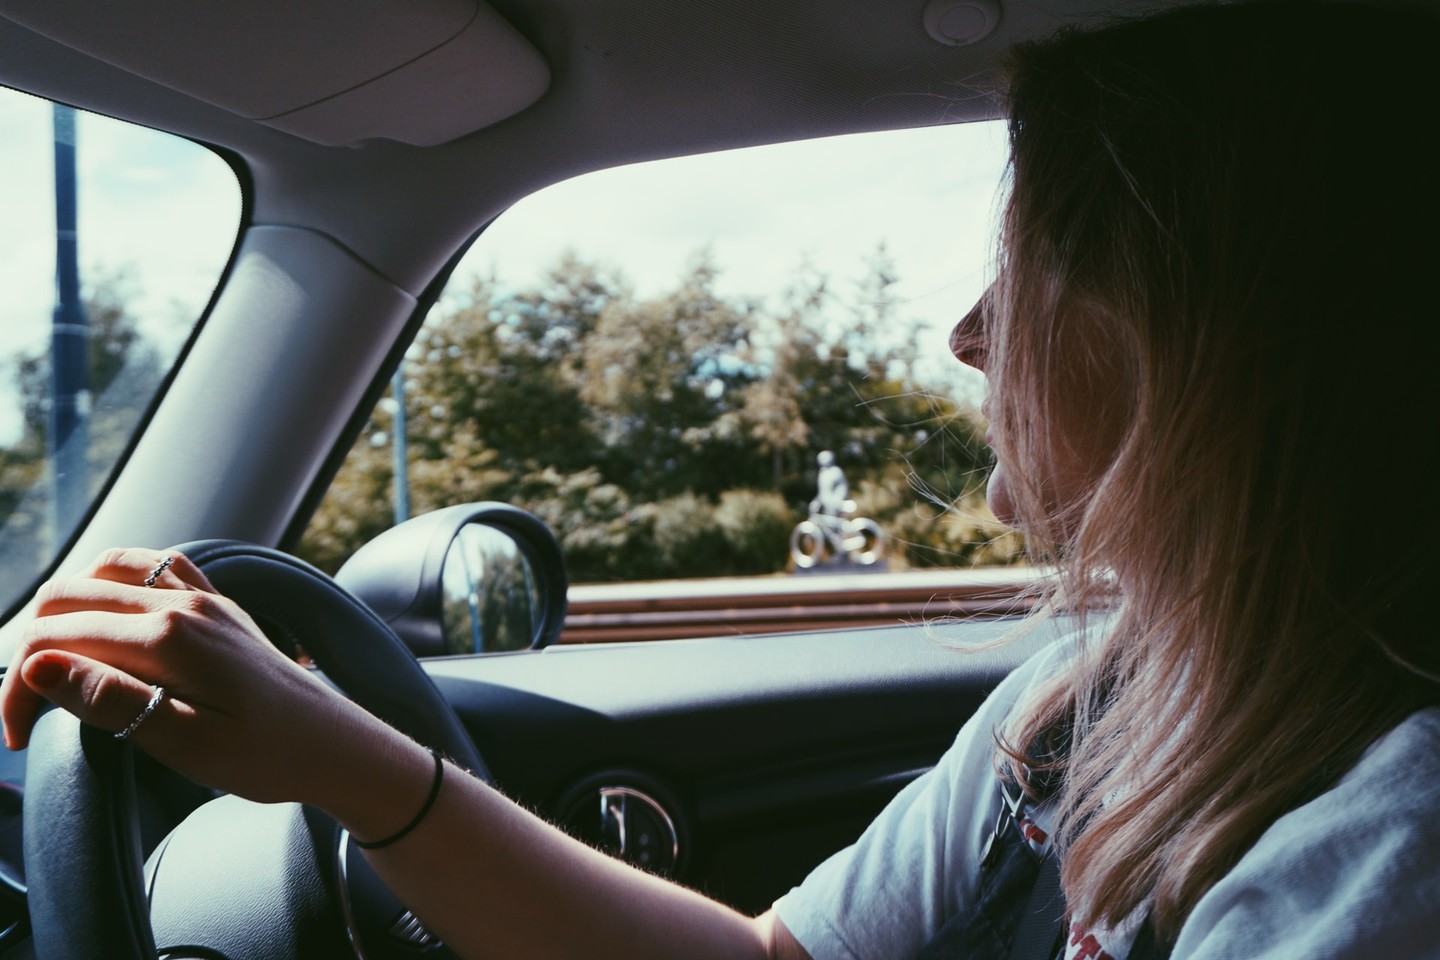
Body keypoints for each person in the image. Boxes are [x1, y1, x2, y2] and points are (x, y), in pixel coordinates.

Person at [4, 1, 1439, 957]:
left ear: (1205, 326)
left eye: (1036, 257)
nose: (968, 333)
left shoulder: (1390, 840)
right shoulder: (1095, 693)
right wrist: (348, 762)